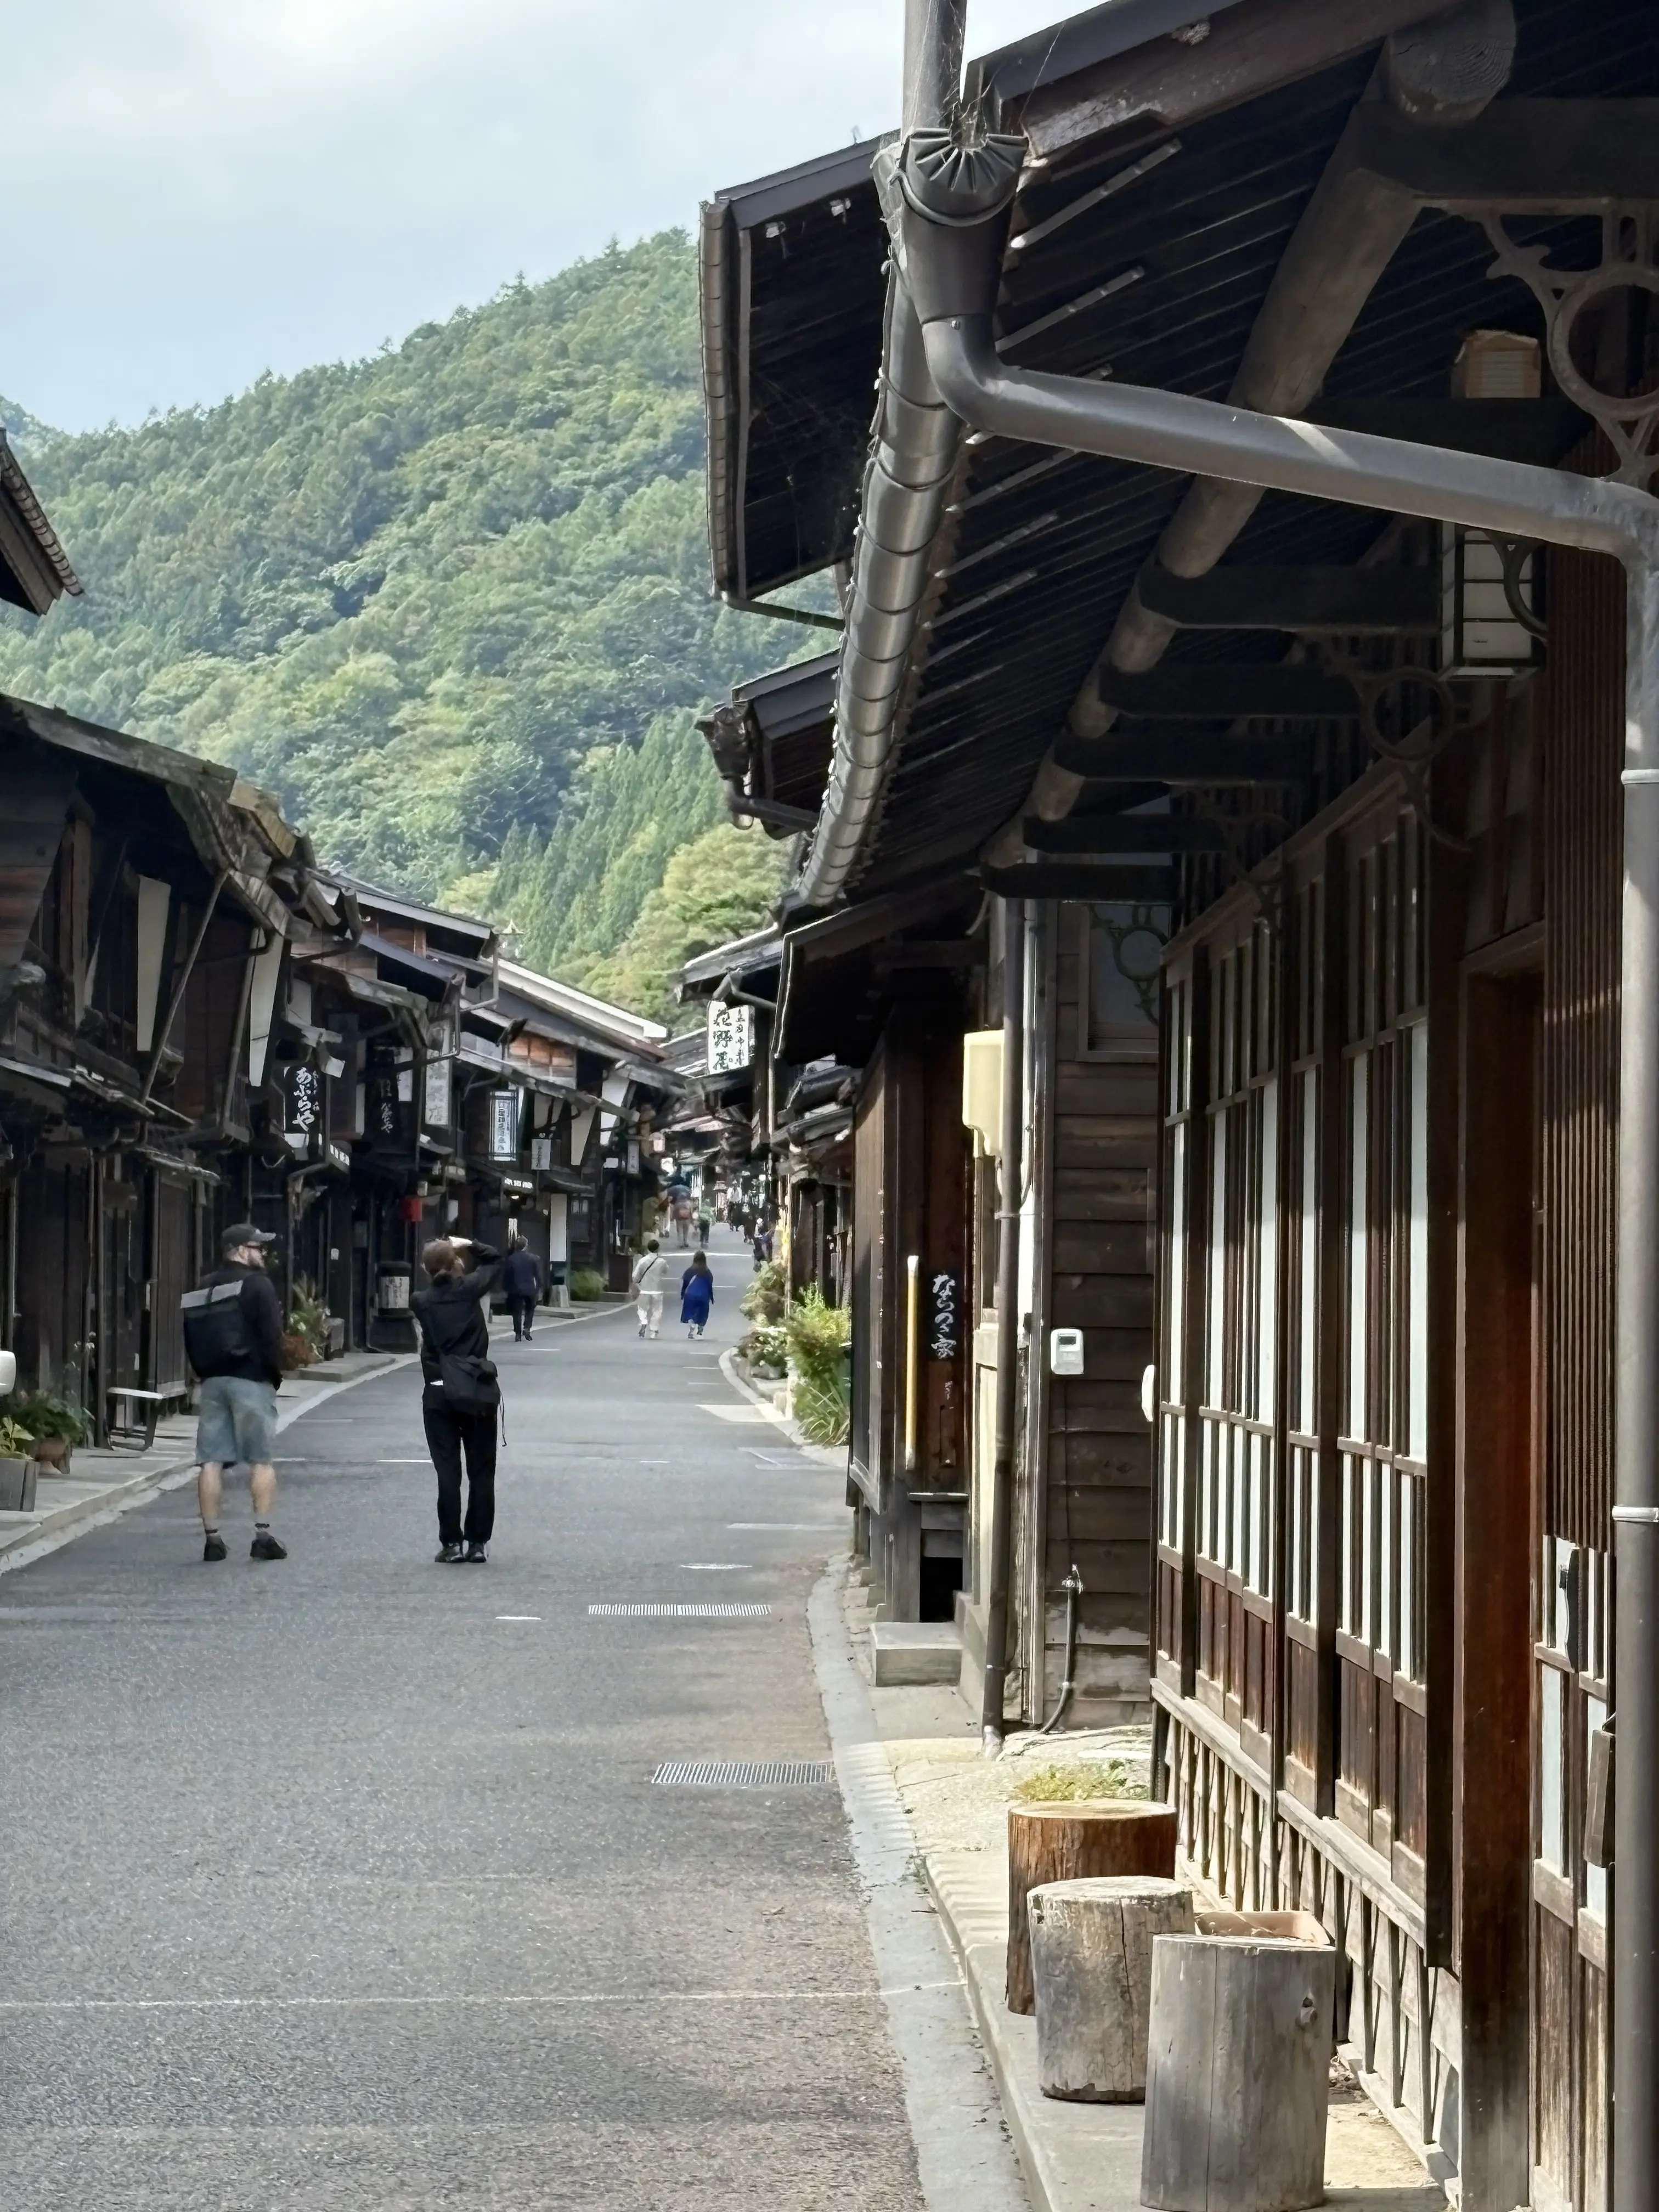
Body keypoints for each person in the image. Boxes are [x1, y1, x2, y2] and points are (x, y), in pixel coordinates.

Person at [182, 1222, 287, 1564]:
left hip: (212, 1381)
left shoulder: (202, 1286)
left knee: (210, 1459)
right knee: (261, 1459)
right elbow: (272, 1337)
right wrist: (274, 1376)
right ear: (240, 1250)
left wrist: (201, 1372)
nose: (263, 1253)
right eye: (258, 1247)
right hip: (251, 1379)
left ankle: (212, 1539)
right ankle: (263, 1536)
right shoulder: (258, 1286)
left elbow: (190, 1333)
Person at [411, 1236, 502, 1564]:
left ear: (426, 1270)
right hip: (476, 1389)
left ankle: (451, 1544)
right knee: (482, 1470)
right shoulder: (469, 1290)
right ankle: (477, 1542)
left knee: (448, 1471)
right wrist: (470, 1244)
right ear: (457, 1264)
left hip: (439, 1392)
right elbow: (495, 1260)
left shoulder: (421, 1301)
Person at [501, 1234, 543, 1341]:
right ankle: (527, 1328)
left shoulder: (511, 1259)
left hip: (515, 1289)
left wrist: (506, 1289)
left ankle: (518, 1334)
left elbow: (507, 1276)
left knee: (517, 1312)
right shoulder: (533, 1258)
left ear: (516, 1246)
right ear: (526, 1246)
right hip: (530, 1289)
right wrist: (539, 1288)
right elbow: (537, 1275)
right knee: (530, 1309)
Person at [631, 1238, 667, 1339]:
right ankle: (654, 1330)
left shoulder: (642, 1261)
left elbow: (635, 1276)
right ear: (658, 1249)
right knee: (657, 1310)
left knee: (642, 1309)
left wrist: (637, 1281)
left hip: (644, 1290)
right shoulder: (662, 1262)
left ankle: (643, 1321)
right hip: (657, 1290)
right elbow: (666, 1271)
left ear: (648, 1248)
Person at [680, 1249, 714, 1340]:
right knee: (703, 1313)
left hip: (690, 1296)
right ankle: (700, 1330)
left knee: (690, 1312)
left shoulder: (689, 1271)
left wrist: (683, 1294)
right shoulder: (708, 1272)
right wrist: (711, 1297)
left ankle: (692, 1328)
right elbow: (709, 1286)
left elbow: (685, 1284)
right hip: (703, 1296)